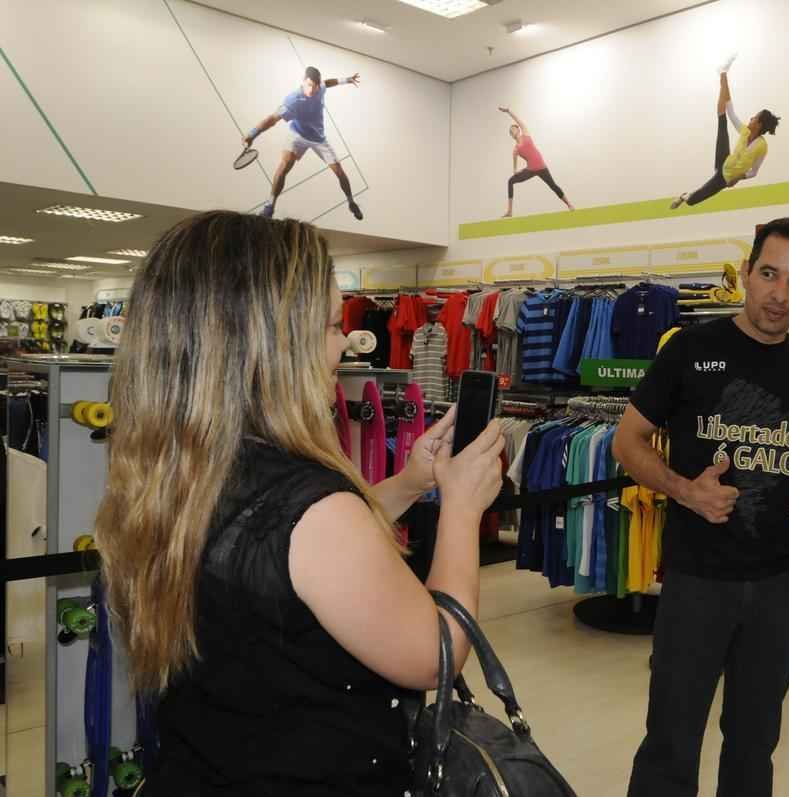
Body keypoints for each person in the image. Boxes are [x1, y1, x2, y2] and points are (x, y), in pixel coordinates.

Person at [93, 210, 505, 795]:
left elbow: (281, 560)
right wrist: (463, 510)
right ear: (273, 342)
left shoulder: (178, 471)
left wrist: (412, 482)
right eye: (332, 326)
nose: (343, 345)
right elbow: (433, 654)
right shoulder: (311, 507)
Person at [616, 217, 789, 797]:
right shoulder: (691, 348)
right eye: (769, 274)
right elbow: (626, 442)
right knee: (671, 738)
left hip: (777, 585)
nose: (778, 294)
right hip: (698, 580)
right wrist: (686, 489)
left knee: (755, 741)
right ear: (746, 272)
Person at [244, 66, 365, 220]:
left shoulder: (320, 87)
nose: (311, 90)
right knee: (283, 166)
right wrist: (252, 134)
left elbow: (328, 83)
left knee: (340, 172)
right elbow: (272, 119)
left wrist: (347, 80)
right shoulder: (292, 100)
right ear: (303, 82)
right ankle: (269, 206)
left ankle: (351, 202)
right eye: (308, 85)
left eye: (314, 87)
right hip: (297, 136)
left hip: (319, 139)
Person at [670, 55, 780, 210]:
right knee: (722, 119)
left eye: (754, 118)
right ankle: (722, 71)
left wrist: (738, 178)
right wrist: (724, 77)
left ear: (759, 124)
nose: (751, 118)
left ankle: (685, 196)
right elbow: (730, 109)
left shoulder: (762, 146)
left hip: (724, 178)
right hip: (724, 160)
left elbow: (754, 171)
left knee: (692, 201)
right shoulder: (745, 132)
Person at [499, 106, 574, 217]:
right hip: (531, 170)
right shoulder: (515, 150)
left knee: (553, 186)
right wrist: (516, 171)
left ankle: (569, 205)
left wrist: (508, 111)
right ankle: (509, 211)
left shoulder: (525, 134)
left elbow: (518, 121)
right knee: (510, 181)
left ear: (518, 129)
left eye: (513, 129)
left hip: (542, 167)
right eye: (510, 131)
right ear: (511, 135)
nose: (512, 131)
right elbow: (514, 168)